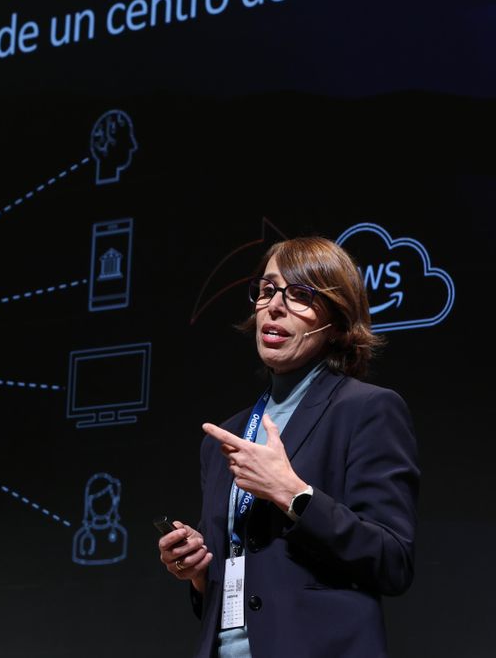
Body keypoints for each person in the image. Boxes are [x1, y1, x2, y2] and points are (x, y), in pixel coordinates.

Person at [157, 236, 420, 657]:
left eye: (300, 295)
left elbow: (392, 561)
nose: (275, 306)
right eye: (266, 290)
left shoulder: (367, 410)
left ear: (335, 322)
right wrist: (199, 571)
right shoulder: (227, 437)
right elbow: (250, 575)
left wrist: (292, 494)